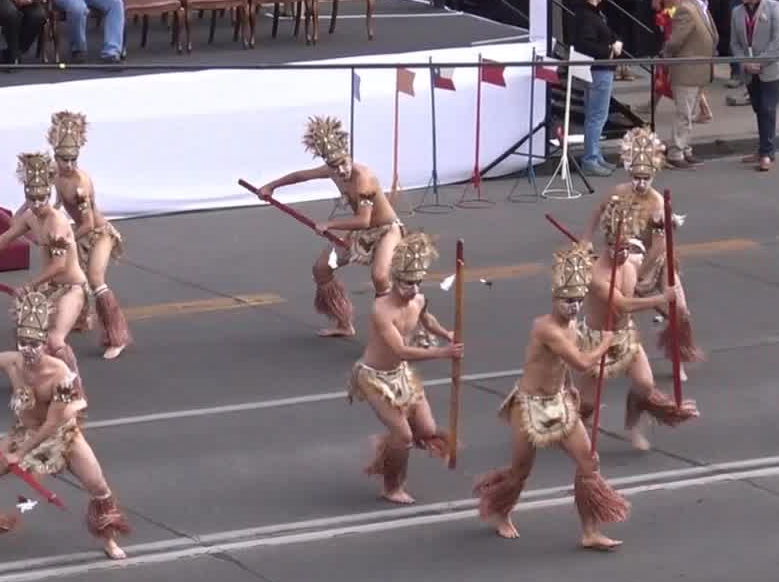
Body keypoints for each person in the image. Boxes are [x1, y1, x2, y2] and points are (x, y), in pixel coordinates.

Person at [0, 288, 131, 560]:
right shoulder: (12, 362)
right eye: (23, 342)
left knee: (98, 487)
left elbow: (55, 421)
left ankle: (109, 539)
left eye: (34, 343)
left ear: (44, 342)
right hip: (25, 432)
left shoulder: (60, 374)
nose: (27, 350)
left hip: (61, 435)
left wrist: (19, 454)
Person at [473, 242, 634, 551]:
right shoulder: (546, 329)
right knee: (521, 471)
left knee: (589, 463)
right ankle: (499, 510)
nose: (573, 307)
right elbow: (582, 361)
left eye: (577, 300)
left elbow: (564, 364)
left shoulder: (571, 324)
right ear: (554, 298)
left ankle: (590, 531)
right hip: (530, 406)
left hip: (559, 403)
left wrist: (570, 387)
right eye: (567, 301)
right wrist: (606, 343)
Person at [255, 116, 404, 339]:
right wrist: (271, 186)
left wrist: (329, 225)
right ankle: (343, 322)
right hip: (361, 233)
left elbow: (364, 220)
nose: (342, 170)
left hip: (387, 230)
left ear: (350, 157)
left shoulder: (364, 178)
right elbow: (300, 176)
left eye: (344, 163)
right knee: (322, 269)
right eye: (335, 166)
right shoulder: (333, 171)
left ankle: (391, 333)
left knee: (380, 277)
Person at [348, 232, 463, 504]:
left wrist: (445, 333)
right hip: (374, 378)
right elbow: (399, 350)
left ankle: (389, 451)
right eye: (406, 283)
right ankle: (392, 486)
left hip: (400, 375)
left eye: (417, 282)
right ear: (395, 279)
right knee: (405, 436)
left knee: (427, 429)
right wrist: (442, 352)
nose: (412, 288)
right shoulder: (381, 310)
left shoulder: (418, 299)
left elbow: (426, 318)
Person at [578, 195, 697, 452]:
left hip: (624, 335)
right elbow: (621, 304)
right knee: (586, 402)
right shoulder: (597, 276)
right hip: (597, 338)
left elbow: (656, 257)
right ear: (607, 246)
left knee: (644, 384)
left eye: (626, 248)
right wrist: (662, 298)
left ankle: (633, 428)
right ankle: (577, 428)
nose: (623, 254)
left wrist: (663, 227)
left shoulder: (631, 263)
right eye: (618, 249)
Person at [0, 153, 92, 383]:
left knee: (55, 341)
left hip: (72, 287)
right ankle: (36, 380)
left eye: (42, 199)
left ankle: (72, 386)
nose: (37, 205)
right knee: (28, 334)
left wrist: (29, 287)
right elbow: (5, 238)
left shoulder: (57, 223)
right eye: (32, 199)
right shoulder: (31, 216)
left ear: (49, 194)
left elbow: (59, 265)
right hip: (49, 288)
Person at [585, 127, 701, 366]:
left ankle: (678, 357)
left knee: (679, 311)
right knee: (615, 308)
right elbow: (598, 210)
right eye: (636, 177)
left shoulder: (657, 203)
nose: (640, 183)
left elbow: (659, 247)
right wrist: (585, 238)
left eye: (645, 178)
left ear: (653, 176)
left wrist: (639, 275)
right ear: (629, 173)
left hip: (654, 262)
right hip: (625, 258)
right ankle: (603, 350)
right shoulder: (619, 193)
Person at [48, 111, 132, 359]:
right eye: (64, 159)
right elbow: (56, 205)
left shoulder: (80, 184)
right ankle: (79, 317)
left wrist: (66, 237)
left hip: (98, 233)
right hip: (79, 233)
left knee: (95, 279)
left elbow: (89, 222)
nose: (69, 164)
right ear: (56, 157)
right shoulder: (55, 176)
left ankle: (117, 336)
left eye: (73, 159)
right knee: (70, 279)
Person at [657, 0, 717, 168]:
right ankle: (675, 153)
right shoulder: (687, 9)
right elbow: (675, 41)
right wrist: (666, 56)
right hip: (686, 71)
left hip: (698, 71)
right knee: (684, 114)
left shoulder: (701, 7)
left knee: (690, 114)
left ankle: (685, 148)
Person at [730, 0, 779, 171]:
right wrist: (745, 62)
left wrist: (760, 63)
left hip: (770, 69)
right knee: (758, 109)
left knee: (767, 110)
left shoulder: (775, 7)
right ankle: (762, 148)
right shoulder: (737, 11)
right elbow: (734, 43)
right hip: (749, 69)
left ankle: (767, 153)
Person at [572, 0, 625, 177]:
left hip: (598, 69)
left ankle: (595, 155)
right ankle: (591, 158)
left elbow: (609, 33)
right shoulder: (587, 17)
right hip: (599, 70)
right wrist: (610, 49)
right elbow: (586, 44)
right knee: (597, 116)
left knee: (594, 115)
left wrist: (616, 41)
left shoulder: (593, 15)